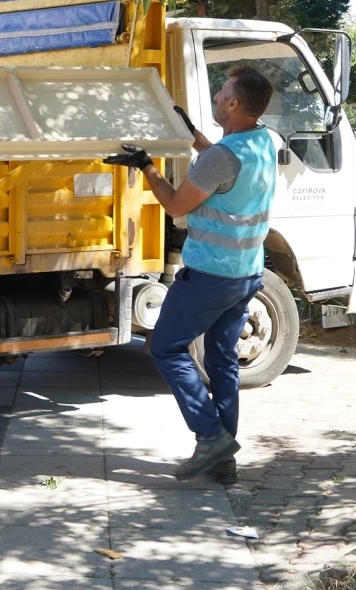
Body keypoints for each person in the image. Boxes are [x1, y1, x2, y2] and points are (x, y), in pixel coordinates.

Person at [104, 65, 279, 483]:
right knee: (222, 362)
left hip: (210, 276)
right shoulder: (263, 142)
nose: (217, 96)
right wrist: (193, 135)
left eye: (222, 93)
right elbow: (222, 165)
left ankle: (210, 436)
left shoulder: (221, 156)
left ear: (234, 103)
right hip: (247, 273)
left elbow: (176, 205)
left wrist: (146, 165)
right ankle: (223, 462)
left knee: (166, 349)